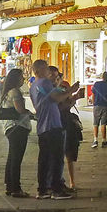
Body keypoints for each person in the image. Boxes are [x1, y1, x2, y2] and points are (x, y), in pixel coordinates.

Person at [30, 59, 78, 199]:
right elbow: (57, 98)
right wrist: (71, 91)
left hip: (42, 125)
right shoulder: (43, 82)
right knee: (56, 158)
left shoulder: (34, 85)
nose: (48, 71)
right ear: (38, 71)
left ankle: (43, 189)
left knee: (44, 159)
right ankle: (56, 190)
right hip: (52, 125)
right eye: (46, 68)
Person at [0, 68, 32, 198]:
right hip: (17, 127)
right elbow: (20, 110)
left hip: (10, 127)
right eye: (21, 77)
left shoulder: (7, 92)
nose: (23, 80)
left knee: (12, 157)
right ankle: (15, 188)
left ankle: (9, 185)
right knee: (16, 158)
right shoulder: (15, 92)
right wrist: (31, 114)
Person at [90, 72, 107, 148]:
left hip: (97, 105)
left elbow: (93, 94)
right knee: (103, 124)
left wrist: (94, 104)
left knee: (95, 123)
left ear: (102, 76)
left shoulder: (96, 84)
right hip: (105, 106)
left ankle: (95, 140)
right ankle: (104, 140)